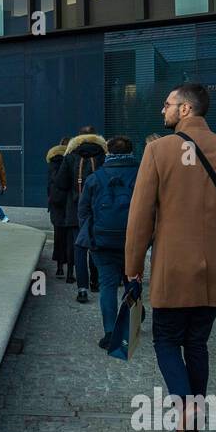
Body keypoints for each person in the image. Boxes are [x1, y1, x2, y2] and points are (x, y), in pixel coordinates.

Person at [124, 84, 216, 432]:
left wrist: (133, 266)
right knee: (196, 343)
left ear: (184, 109)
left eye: (166, 105)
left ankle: (185, 411)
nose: (162, 111)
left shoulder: (158, 151)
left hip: (172, 268)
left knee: (166, 342)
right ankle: (193, 415)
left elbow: (140, 217)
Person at [78, 136, 140, 349]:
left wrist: (91, 234)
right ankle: (133, 322)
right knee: (133, 281)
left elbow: (83, 210)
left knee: (107, 285)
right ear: (132, 151)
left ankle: (110, 332)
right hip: (133, 240)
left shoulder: (96, 177)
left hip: (102, 240)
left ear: (108, 153)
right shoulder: (142, 174)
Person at [55, 126, 108, 300]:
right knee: (95, 245)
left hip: (75, 207)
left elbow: (61, 183)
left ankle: (82, 288)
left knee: (79, 247)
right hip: (99, 208)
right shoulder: (103, 155)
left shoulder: (70, 156)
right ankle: (95, 281)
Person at [47, 139, 71, 277]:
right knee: (70, 237)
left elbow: (48, 186)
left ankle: (59, 266)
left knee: (58, 235)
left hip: (56, 204)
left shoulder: (52, 163)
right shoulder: (72, 160)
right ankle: (70, 271)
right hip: (69, 204)